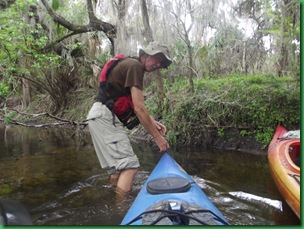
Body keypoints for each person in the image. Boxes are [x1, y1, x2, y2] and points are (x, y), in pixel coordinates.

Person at [86, 41, 172, 197]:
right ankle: (122, 211)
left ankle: (113, 201)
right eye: (157, 58)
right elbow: (139, 108)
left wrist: (153, 122)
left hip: (99, 116)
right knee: (130, 166)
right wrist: (158, 138)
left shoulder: (131, 65)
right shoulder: (135, 66)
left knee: (119, 169)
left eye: (162, 63)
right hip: (105, 117)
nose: (158, 64)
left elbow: (132, 104)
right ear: (146, 54)